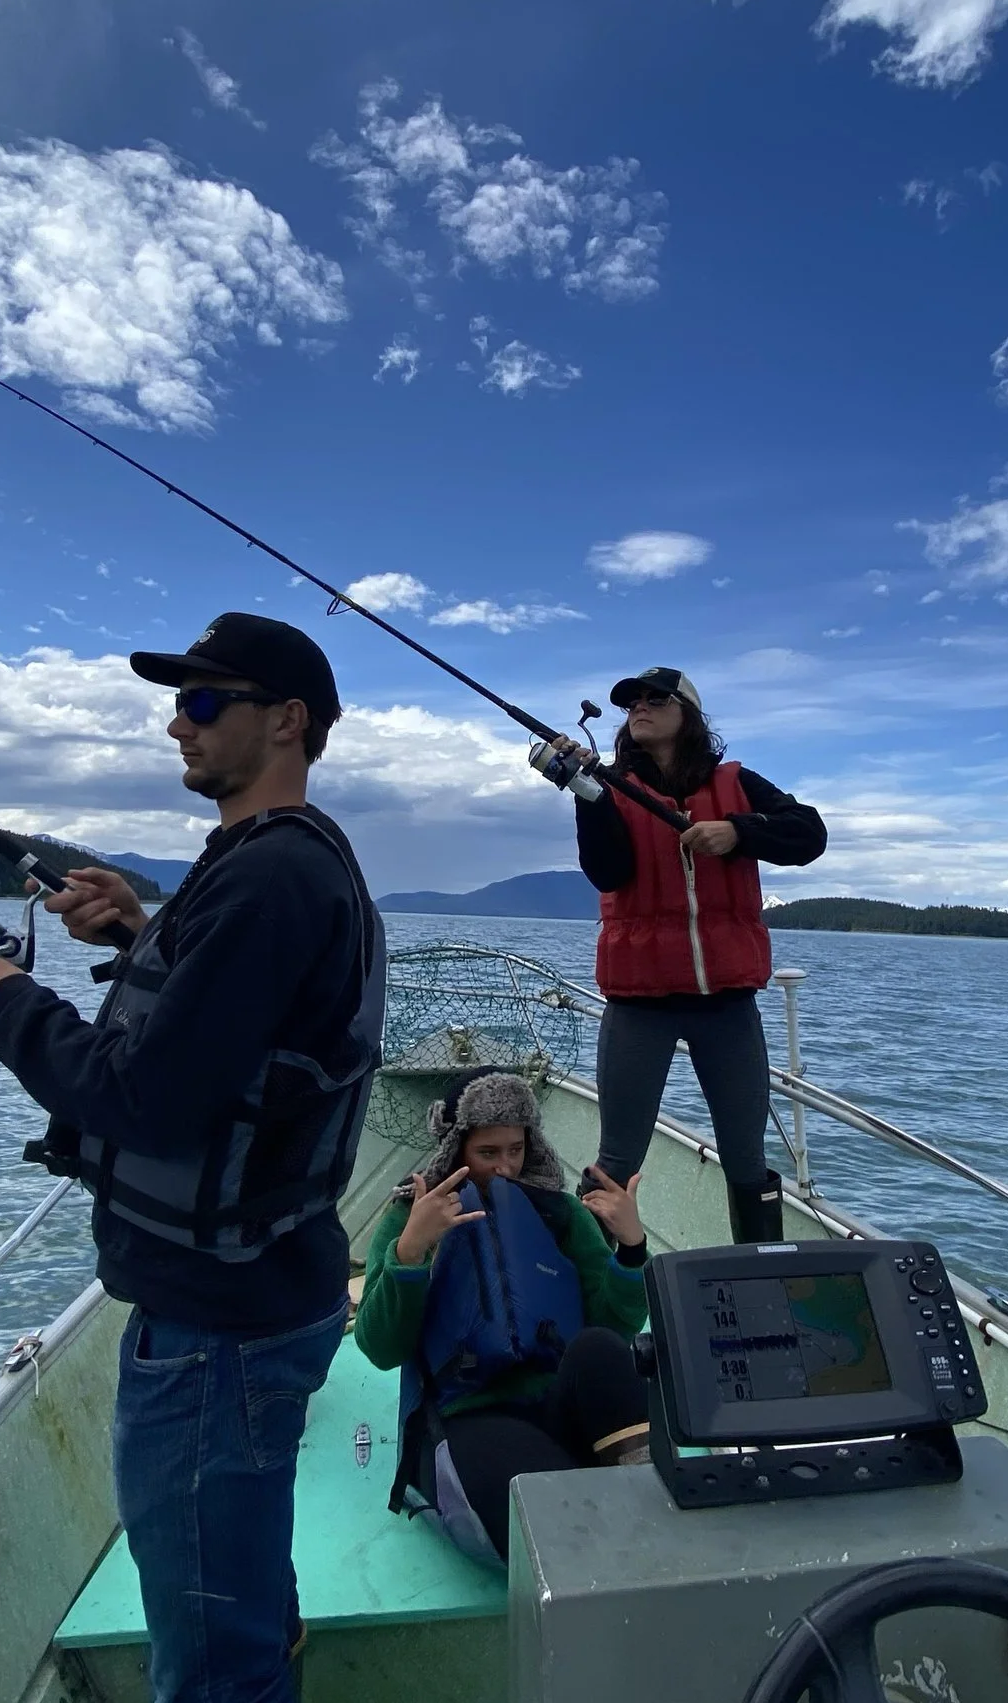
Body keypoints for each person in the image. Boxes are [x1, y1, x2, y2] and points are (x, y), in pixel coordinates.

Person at [0, 611, 384, 1703]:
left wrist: (2, 1003)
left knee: (212, 1695)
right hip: (261, 1299)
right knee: (244, 1614)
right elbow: (234, 1043)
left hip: (214, 1339)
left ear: (287, 721)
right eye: (177, 700)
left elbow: (149, 1101)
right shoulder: (275, 866)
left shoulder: (269, 879)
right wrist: (137, 933)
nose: (177, 719)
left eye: (205, 700)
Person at [560, 667, 826, 1243]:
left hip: (728, 1006)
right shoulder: (609, 786)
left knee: (746, 1159)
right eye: (632, 701)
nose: (640, 707)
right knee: (617, 1157)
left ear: (691, 714)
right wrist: (587, 795)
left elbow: (809, 834)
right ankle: (600, 1292)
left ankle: (763, 1278)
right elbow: (606, 871)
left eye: (658, 698)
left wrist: (737, 831)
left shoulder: (738, 782)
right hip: (638, 1003)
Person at [354, 1069, 652, 1566]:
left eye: (515, 1149)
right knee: (558, 1528)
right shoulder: (411, 1218)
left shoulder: (560, 1214)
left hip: (552, 1403)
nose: (505, 1168)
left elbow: (612, 1326)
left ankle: (649, 1498)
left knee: (600, 1349)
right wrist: (409, 1253)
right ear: (456, 1148)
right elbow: (380, 1349)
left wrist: (632, 1248)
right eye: (487, 1153)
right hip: (466, 1414)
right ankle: (600, 1504)